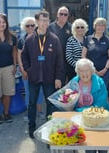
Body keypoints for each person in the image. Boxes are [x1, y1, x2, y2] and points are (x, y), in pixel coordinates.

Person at [22, 10, 64, 138]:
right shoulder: (29, 39)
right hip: (34, 78)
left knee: (50, 104)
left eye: (46, 20)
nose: (44, 23)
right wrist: (29, 69)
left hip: (49, 78)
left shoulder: (54, 39)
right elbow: (24, 56)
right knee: (32, 104)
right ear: (37, 21)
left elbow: (59, 60)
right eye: (42, 20)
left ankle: (50, 130)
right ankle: (32, 128)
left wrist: (58, 78)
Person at [72, 58, 109, 153]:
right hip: (83, 119)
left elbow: (100, 103)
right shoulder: (74, 82)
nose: (84, 74)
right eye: (81, 71)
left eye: (87, 70)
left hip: (99, 119)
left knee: (102, 147)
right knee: (89, 146)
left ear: (92, 71)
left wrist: (83, 111)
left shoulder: (99, 82)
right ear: (78, 72)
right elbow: (71, 101)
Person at [0, 13, 17, 124]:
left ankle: (6, 113)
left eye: (3, 22)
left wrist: (15, 65)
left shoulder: (12, 36)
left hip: (9, 67)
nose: (1, 24)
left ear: (6, 24)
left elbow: (14, 51)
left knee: (7, 92)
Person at [17, 17, 44, 121]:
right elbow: (19, 56)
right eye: (28, 25)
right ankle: (30, 113)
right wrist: (22, 70)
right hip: (27, 71)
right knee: (28, 92)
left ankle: (40, 111)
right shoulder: (21, 40)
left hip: (39, 72)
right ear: (24, 27)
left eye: (33, 25)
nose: (30, 27)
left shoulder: (41, 38)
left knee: (40, 91)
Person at [82, 17, 109, 89]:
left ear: (105, 27)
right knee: (90, 91)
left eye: (103, 25)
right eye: (98, 25)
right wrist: (92, 69)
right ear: (95, 26)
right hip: (90, 72)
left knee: (102, 92)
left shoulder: (108, 40)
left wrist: (105, 69)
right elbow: (83, 55)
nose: (100, 27)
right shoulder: (88, 39)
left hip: (104, 72)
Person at [48, 6, 72, 84]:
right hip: (54, 61)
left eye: (65, 14)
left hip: (68, 62)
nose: (63, 16)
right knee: (55, 86)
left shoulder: (72, 27)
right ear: (57, 15)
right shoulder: (50, 27)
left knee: (70, 86)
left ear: (68, 16)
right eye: (61, 14)